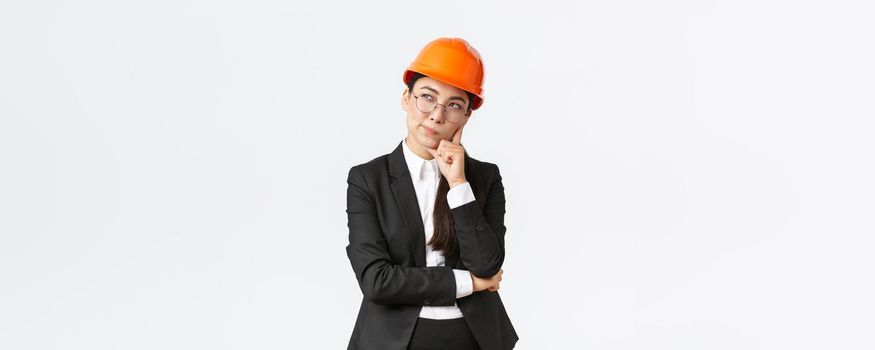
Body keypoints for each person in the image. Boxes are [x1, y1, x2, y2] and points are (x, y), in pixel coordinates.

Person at [345, 37, 518, 350]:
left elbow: (486, 265)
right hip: (392, 339)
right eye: (427, 97)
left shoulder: (484, 177)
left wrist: (458, 184)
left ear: (466, 117)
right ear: (406, 98)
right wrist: (470, 284)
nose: (437, 115)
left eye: (454, 105)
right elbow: (377, 281)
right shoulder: (367, 179)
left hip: (474, 338)